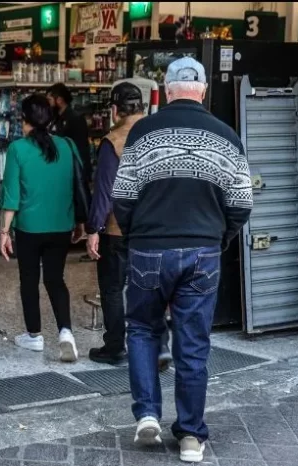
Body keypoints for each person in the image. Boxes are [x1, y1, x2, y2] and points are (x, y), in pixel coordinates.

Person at [111, 58, 252, 463]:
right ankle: (191, 435)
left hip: (148, 249)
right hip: (202, 251)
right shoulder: (227, 136)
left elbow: (123, 196)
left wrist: (136, 235)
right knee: (193, 343)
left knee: (142, 329)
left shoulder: (143, 131)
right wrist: (218, 238)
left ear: (167, 91)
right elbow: (242, 203)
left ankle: (147, 414)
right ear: (202, 90)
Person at [86, 82, 173, 368]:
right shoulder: (161, 135)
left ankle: (115, 347)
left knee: (112, 288)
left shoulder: (113, 141)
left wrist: (93, 228)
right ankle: (159, 346)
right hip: (155, 227)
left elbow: (105, 191)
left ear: (115, 110)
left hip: (118, 229)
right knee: (152, 286)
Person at [0, 94, 83, 363]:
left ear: (25, 120)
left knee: (29, 279)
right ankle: (66, 332)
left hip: (29, 228)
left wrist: (4, 231)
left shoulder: (18, 149)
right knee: (55, 279)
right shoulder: (67, 145)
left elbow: (11, 195)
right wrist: (81, 222)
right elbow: (77, 185)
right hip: (61, 225)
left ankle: (34, 336)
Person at [46, 83, 92, 184]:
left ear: (59, 100)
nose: (48, 104)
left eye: (50, 100)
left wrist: (84, 175)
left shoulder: (75, 119)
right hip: (58, 170)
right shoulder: (54, 119)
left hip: (72, 173)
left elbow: (82, 149)